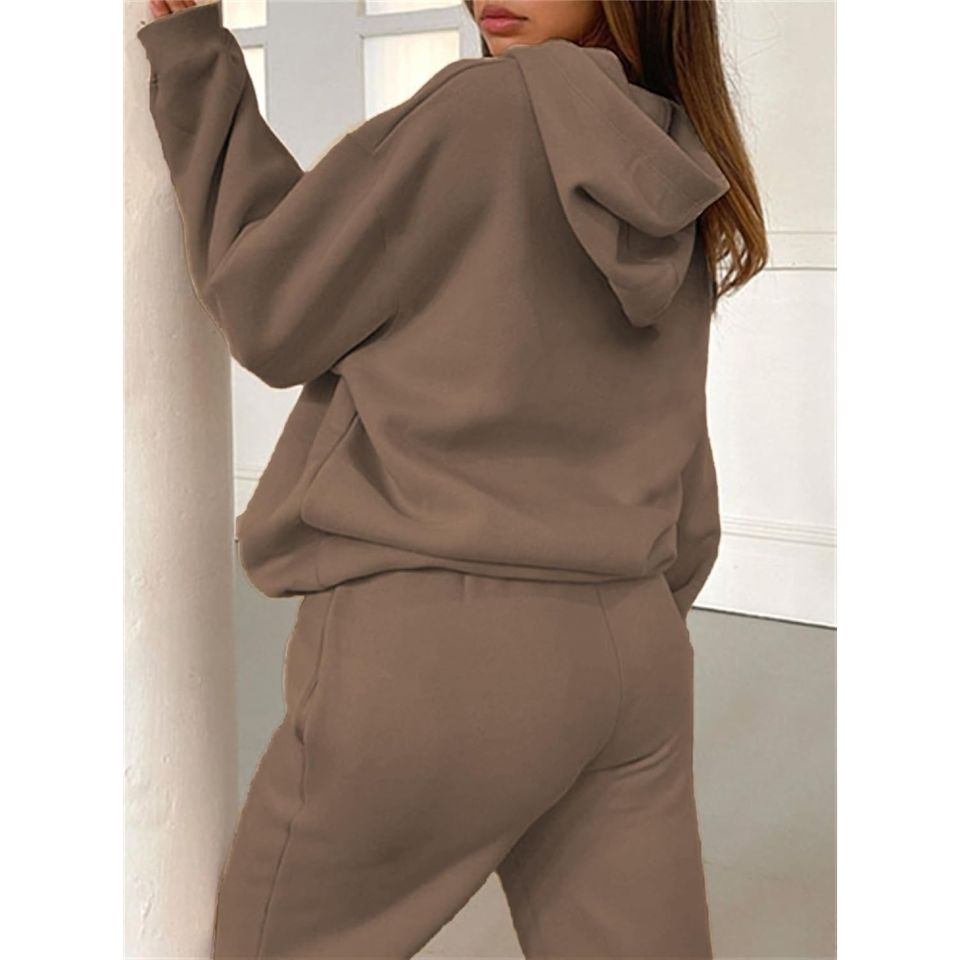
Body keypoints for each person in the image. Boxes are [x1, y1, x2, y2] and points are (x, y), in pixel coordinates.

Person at [136, 0, 767, 956]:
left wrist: (196, 59)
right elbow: (679, 442)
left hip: (438, 650)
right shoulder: (671, 151)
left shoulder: (480, 111)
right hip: (635, 648)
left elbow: (271, 302)